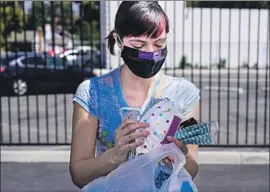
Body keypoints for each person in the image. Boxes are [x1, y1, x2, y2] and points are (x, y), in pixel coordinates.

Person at [69, 1, 200, 189]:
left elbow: (192, 164)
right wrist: (115, 155)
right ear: (119, 40)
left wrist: (177, 159)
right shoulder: (92, 93)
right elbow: (78, 174)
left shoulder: (185, 94)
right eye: (138, 44)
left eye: (159, 43)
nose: (150, 53)